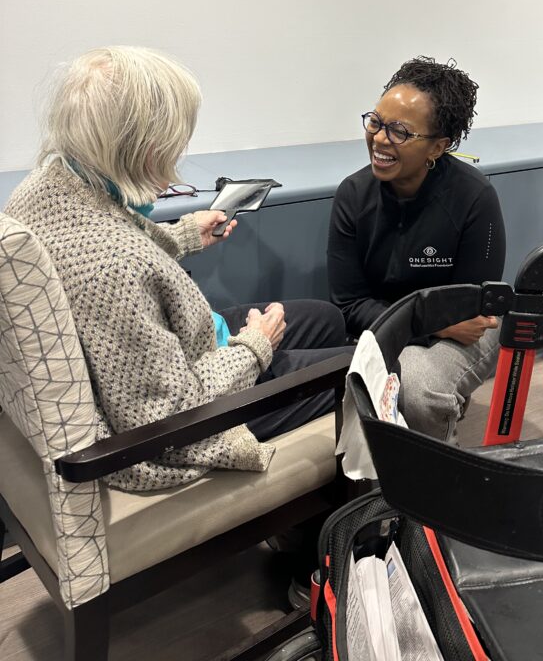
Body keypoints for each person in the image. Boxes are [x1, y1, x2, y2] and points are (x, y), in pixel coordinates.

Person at [5, 46, 346, 492]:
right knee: (357, 367)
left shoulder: (43, 185)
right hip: (179, 428)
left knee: (327, 319)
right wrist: (254, 347)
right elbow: (168, 418)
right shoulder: (117, 267)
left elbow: (104, 238)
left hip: (159, 363)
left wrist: (181, 236)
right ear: (148, 151)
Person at [327, 56, 506, 442]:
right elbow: (347, 305)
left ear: (437, 147)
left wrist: (429, 324)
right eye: (376, 122)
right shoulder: (353, 195)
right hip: (413, 323)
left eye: (399, 132)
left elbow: (471, 315)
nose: (380, 139)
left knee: (418, 390)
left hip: (465, 329)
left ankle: (436, 472)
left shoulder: (474, 197)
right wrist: (428, 321)